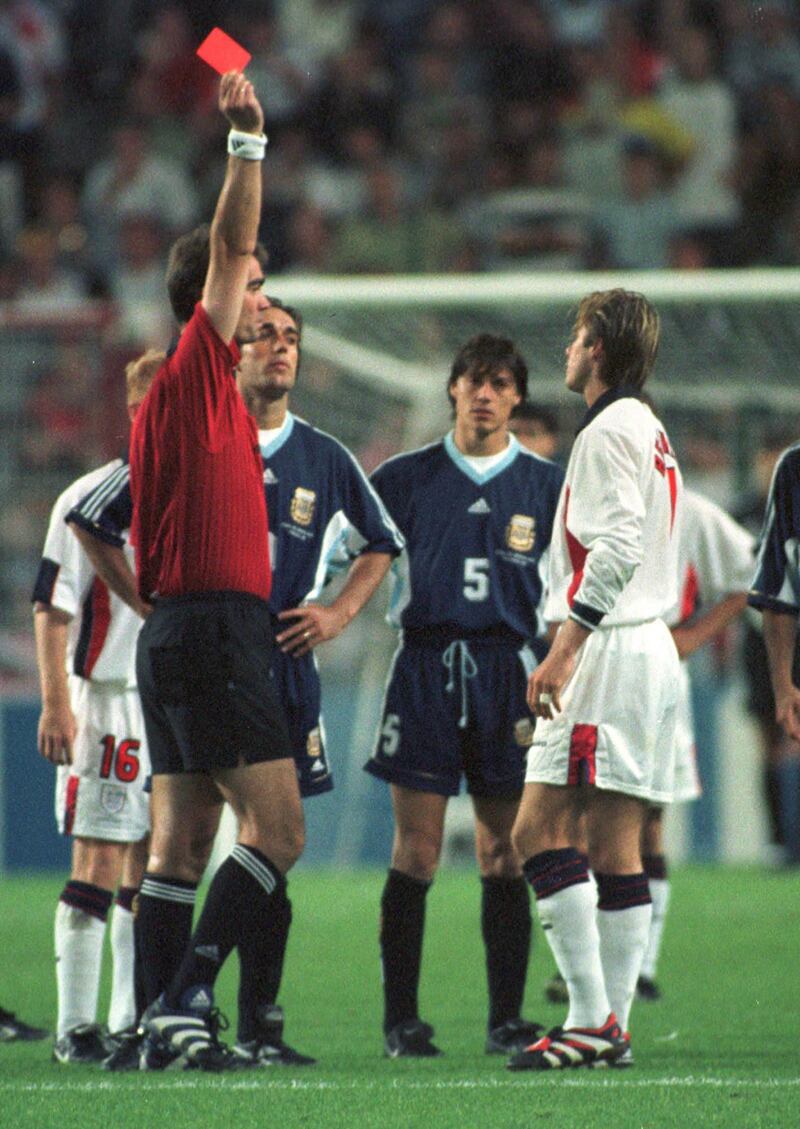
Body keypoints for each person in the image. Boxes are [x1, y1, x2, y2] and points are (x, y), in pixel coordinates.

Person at [72, 297, 405, 1067]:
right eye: (264, 336)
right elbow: (92, 515)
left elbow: (382, 540)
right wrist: (140, 594)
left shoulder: (323, 455)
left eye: (291, 338)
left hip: (279, 660)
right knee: (256, 836)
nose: (280, 349)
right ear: (235, 352)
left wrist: (337, 611)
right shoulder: (195, 430)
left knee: (212, 843)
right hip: (215, 644)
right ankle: (183, 1000)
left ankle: (239, 1023)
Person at [125, 70, 303, 1073]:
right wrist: (247, 145)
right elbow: (232, 247)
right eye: (254, 296)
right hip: (214, 627)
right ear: (216, 301)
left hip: (176, 630)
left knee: (183, 841)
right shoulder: (194, 368)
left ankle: (158, 1017)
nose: (263, 309)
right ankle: (189, 995)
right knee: (276, 830)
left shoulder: (194, 399)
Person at [365, 334, 565, 1058]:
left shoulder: (546, 484)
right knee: (415, 849)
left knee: (504, 851)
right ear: (452, 389)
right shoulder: (403, 478)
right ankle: (401, 1021)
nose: (485, 393)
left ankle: (505, 1018)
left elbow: (575, 582)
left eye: (500, 383)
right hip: (423, 666)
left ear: (517, 397)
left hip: (508, 671)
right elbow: (351, 555)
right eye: (473, 381)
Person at [509, 288, 682, 1072]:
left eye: (578, 335)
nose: (568, 348)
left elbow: (612, 547)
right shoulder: (647, 426)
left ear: (600, 351)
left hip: (608, 647)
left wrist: (565, 646)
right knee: (614, 841)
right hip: (645, 645)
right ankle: (607, 1026)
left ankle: (588, 1017)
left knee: (536, 830)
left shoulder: (608, 429)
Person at [31, 350, 161, 1065]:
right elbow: (53, 607)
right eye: (144, 408)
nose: (154, 421)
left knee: (155, 860)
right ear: (130, 412)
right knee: (100, 855)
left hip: (168, 702)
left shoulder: (189, 494)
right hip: (107, 700)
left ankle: (128, 1018)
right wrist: (58, 702)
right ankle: (74, 1025)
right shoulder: (86, 497)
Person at [748, 438, 800, 864]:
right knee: (773, 740)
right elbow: (766, 586)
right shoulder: (792, 472)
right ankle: (780, 839)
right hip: (769, 640)